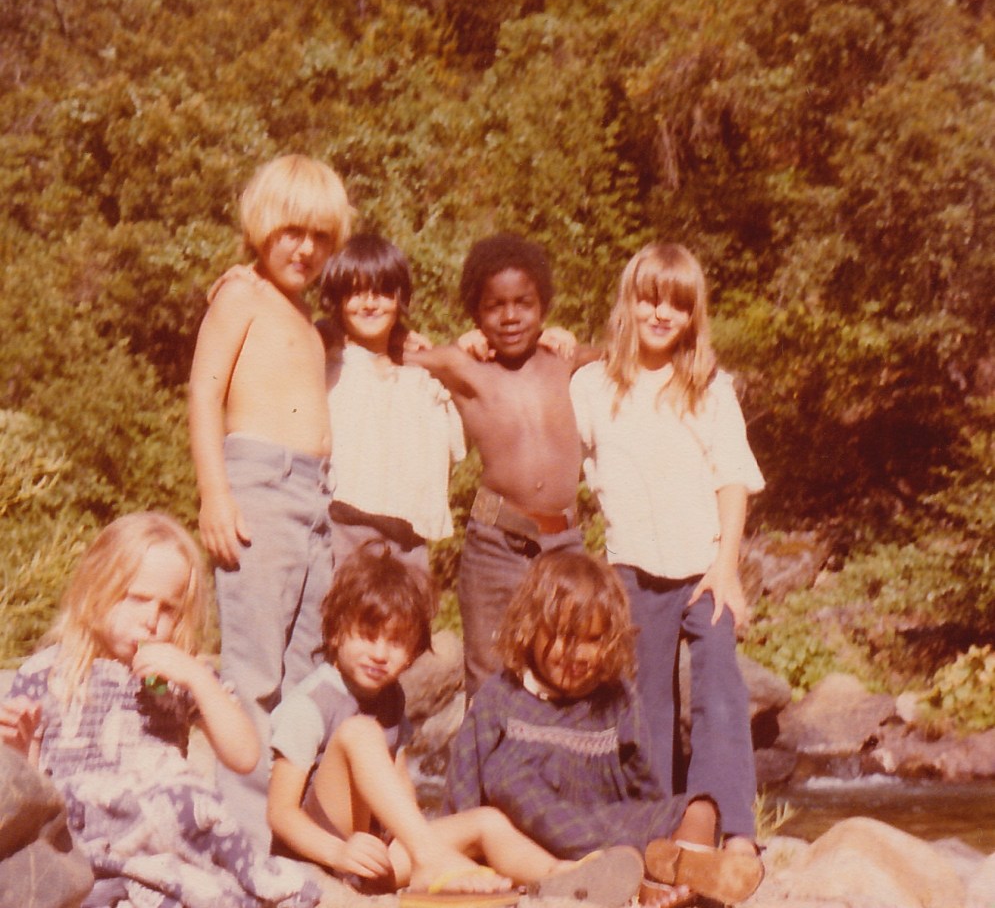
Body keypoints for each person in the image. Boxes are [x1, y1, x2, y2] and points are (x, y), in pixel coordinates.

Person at [267, 542, 644, 907]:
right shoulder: (313, 702)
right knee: (359, 730)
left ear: (414, 652)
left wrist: (409, 848)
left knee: (487, 821)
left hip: (376, 857)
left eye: (396, 642)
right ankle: (432, 862)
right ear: (335, 632)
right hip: (323, 854)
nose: (380, 654)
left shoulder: (391, 696)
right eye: (368, 637)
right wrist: (338, 851)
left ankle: (561, 876)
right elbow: (280, 813)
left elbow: (399, 786)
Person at [0, 512, 321, 908]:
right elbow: (32, 792)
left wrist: (200, 681)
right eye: (136, 599)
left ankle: (251, 879)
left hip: (159, 830)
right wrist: (19, 743)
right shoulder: (45, 671)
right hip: (81, 829)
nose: (151, 620)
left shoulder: (178, 675)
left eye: (168, 609)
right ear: (94, 588)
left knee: (191, 804)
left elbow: (244, 756)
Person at [569, 241, 765, 858]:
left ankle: (729, 825)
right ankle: (652, 823)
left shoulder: (709, 385)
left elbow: (732, 478)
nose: (660, 314)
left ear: (692, 315)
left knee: (720, 690)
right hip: (631, 565)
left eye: (675, 306)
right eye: (649, 299)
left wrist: (727, 567)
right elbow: (563, 461)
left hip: (705, 567)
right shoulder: (592, 386)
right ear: (629, 300)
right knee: (641, 697)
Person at [446, 549, 765, 908]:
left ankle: (684, 880)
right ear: (531, 629)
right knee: (512, 782)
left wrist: (663, 826)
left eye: (593, 640)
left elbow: (643, 784)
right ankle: (648, 882)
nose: (578, 655)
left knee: (700, 808)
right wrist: (460, 852)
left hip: (611, 833)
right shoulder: (501, 696)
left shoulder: (616, 698)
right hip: (530, 840)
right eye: (563, 637)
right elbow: (465, 781)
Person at [188, 153, 352, 844]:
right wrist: (214, 494)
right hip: (258, 486)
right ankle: (244, 842)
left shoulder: (307, 318)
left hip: (315, 500)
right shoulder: (240, 295)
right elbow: (203, 389)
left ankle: (290, 828)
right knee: (253, 671)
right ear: (261, 227)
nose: (306, 248)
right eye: (291, 231)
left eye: (319, 236)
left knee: (308, 669)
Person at [405, 233, 595, 696]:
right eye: (495, 306)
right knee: (490, 676)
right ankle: (488, 768)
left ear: (543, 305)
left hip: (565, 543)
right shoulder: (465, 366)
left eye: (524, 303)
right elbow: (378, 351)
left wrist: (568, 339)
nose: (510, 317)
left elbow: (631, 355)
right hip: (496, 545)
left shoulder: (563, 362)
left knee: (569, 670)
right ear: (475, 310)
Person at [319, 233, 465, 575]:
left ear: (399, 298)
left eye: (383, 292)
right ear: (338, 298)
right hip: (343, 531)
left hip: (407, 540)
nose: (369, 304)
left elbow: (454, 450)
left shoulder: (421, 376)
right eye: (355, 292)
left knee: (408, 624)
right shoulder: (330, 364)